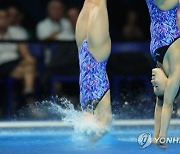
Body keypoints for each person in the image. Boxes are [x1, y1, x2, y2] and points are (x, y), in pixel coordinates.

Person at [76, 0, 112, 141]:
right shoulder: (104, 117)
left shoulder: (86, 111)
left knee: (90, 2)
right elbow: (103, 130)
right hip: (98, 56)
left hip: (83, 53)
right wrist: (92, 144)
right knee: (99, 3)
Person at [146, 0, 180, 148]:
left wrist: (156, 136)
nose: (153, 81)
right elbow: (168, 105)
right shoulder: (177, 71)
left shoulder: (165, 68)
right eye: (156, 84)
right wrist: (162, 138)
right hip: (167, 36)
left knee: (160, 99)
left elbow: (160, 103)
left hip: (159, 43)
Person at [0, 8, 36, 105]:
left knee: (29, 66)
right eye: (0, 18)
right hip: (2, 64)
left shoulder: (17, 32)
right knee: (28, 71)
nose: (3, 20)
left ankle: (28, 93)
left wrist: (29, 59)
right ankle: (29, 99)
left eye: (5, 17)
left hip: (14, 62)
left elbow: (25, 52)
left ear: (8, 19)